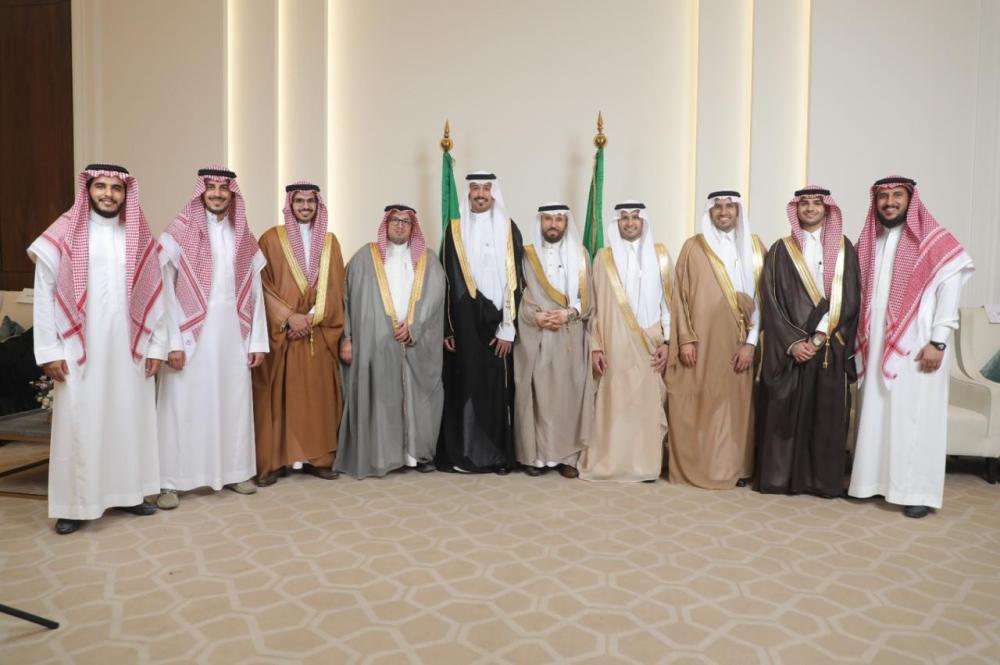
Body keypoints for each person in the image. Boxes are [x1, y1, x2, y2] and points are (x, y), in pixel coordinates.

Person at [28, 164, 167, 534]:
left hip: (129, 348)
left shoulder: (138, 236)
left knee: (129, 418)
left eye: (116, 188)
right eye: (101, 186)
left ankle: (129, 493)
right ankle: (74, 505)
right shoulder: (63, 234)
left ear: (126, 194)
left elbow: (157, 296)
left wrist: (156, 345)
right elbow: (44, 293)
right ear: (88, 190)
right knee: (80, 422)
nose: (108, 194)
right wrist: (49, 350)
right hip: (78, 348)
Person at [848, 176, 973, 518]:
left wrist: (938, 341)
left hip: (917, 346)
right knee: (876, 414)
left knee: (915, 417)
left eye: (897, 195)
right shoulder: (870, 240)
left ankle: (916, 491)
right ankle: (871, 483)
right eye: (883, 196)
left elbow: (950, 293)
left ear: (910, 199)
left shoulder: (935, 241)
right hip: (876, 344)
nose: (889, 202)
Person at [155, 167, 268, 509]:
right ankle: (171, 481)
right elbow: (165, 292)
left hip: (233, 334)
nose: (218, 193)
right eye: (211, 187)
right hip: (190, 337)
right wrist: (172, 342)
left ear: (233, 193)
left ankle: (235, 472)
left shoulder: (242, 235)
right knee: (182, 407)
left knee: (232, 403)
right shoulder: (178, 233)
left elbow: (255, 291)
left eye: (224, 188)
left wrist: (257, 341)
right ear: (200, 191)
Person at [754, 186, 860, 497]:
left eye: (816, 203)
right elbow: (771, 300)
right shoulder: (780, 250)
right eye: (804, 203)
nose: (810, 208)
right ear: (795, 209)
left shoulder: (844, 248)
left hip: (828, 346)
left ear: (827, 209)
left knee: (824, 416)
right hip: (791, 350)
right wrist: (793, 342)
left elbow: (850, 297)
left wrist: (819, 336)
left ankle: (819, 481)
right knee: (784, 413)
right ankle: (781, 479)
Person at [336, 205, 446, 478]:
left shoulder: (428, 259)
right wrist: (347, 337)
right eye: (394, 220)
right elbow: (346, 299)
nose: (399, 225)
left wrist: (413, 326)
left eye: (405, 221)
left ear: (413, 227)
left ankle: (417, 455)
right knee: (382, 399)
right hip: (375, 342)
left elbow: (435, 298)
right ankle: (384, 455)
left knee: (418, 399)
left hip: (416, 342)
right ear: (385, 224)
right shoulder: (364, 257)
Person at [666, 190, 766, 489]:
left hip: (740, 342)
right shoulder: (693, 247)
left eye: (729, 206)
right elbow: (679, 296)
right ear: (709, 212)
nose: (724, 212)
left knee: (735, 407)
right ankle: (703, 466)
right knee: (701, 402)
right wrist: (685, 339)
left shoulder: (755, 247)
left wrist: (751, 343)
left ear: (738, 211)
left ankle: (736, 467)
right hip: (702, 341)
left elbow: (764, 301)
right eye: (718, 207)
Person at [252, 182, 345, 485]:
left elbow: (336, 288)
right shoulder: (270, 239)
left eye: (311, 202)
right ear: (289, 205)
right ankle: (275, 461)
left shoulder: (330, 242)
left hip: (316, 335)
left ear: (318, 206)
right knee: (279, 399)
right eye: (299, 201)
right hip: (282, 335)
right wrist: (289, 318)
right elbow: (261, 286)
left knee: (317, 401)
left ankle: (319, 460)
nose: (305, 207)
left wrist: (310, 319)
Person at [436, 172, 524, 474]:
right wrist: (448, 327)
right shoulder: (454, 229)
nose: (481, 194)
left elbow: (516, 281)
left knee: (496, 390)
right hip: (463, 324)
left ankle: (497, 456)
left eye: (486, 188)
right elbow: (446, 280)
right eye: (475, 188)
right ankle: (463, 454)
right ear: (468, 192)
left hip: (499, 323)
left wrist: (508, 329)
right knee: (464, 385)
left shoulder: (509, 229)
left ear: (494, 193)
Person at [578, 201, 671, 482]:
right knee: (614, 405)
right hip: (613, 345)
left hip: (650, 345)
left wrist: (668, 342)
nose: (630, 223)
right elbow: (594, 307)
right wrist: (596, 346)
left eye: (635, 218)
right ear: (617, 222)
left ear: (644, 222)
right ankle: (611, 463)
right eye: (624, 218)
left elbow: (669, 304)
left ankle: (646, 466)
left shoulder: (661, 255)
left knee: (646, 406)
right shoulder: (603, 258)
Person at [514, 204, 594, 479]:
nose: (553, 224)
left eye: (559, 219)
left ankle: (569, 458)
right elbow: (517, 293)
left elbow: (588, 298)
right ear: (540, 222)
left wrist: (569, 313)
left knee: (569, 396)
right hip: (536, 334)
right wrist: (534, 316)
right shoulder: (526, 255)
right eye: (548, 218)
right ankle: (536, 457)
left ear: (566, 223)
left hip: (569, 334)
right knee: (538, 396)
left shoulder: (581, 255)